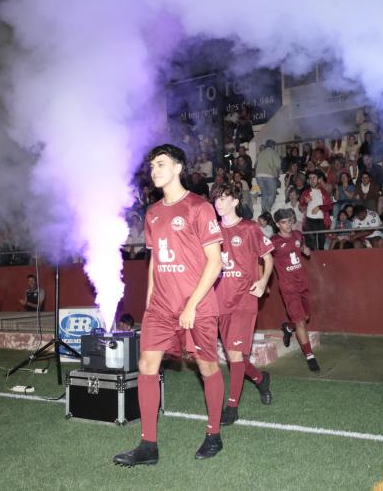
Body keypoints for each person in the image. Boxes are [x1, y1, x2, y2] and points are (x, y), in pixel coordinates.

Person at [113, 144, 224, 466]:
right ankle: (148, 445)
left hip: (197, 306)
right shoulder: (153, 213)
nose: (155, 171)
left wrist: (191, 305)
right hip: (161, 307)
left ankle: (214, 434)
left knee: (206, 367)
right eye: (152, 166)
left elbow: (215, 262)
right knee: (146, 366)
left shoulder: (199, 207)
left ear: (178, 168)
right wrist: (150, 300)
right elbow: (155, 261)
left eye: (161, 164)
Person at [211, 182, 274, 426]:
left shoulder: (249, 228)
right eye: (216, 199)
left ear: (235, 201)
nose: (218, 203)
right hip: (220, 300)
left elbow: (268, 258)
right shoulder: (212, 231)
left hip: (244, 299)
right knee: (233, 356)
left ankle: (232, 406)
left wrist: (263, 281)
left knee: (235, 354)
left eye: (223, 198)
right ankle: (260, 379)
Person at [271, 208, 320, 372]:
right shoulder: (273, 241)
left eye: (289, 221)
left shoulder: (298, 235)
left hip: (302, 284)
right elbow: (264, 259)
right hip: (288, 287)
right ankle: (310, 356)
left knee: (305, 317)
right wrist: (262, 281)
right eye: (283, 222)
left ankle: (288, 327)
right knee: (300, 321)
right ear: (277, 224)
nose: (288, 225)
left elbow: (302, 247)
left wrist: (305, 250)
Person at [299, 170, 332, 251]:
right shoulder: (305, 192)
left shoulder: (324, 192)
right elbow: (300, 207)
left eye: (314, 178)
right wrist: (305, 202)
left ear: (319, 179)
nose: (312, 180)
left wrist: (319, 207)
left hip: (321, 222)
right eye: (310, 178)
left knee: (320, 246)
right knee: (310, 246)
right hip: (309, 221)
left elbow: (329, 206)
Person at [255, 139, 282, 213]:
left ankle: (263, 213)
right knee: (272, 194)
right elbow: (278, 165)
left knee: (265, 195)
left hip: (258, 176)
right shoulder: (273, 152)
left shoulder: (261, 153)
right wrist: (277, 174)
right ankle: (267, 210)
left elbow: (255, 165)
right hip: (269, 175)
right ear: (273, 146)